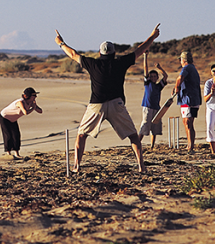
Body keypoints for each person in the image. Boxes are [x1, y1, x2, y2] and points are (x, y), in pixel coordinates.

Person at [54, 24, 161, 174]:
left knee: (81, 135)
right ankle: (141, 166)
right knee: (134, 137)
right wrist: (153, 36)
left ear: (100, 53)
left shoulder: (93, 63)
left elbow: (72, 54)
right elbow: (140, 50)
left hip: (96, 104)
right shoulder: (120, 63)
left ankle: (76, 166)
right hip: (116, 103)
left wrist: (60, 43)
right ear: (114, 52)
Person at [0, 87, 42, 159]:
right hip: (4, 118)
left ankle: (16, 153)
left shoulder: (31, 103)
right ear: (28, 96)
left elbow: (40, 111)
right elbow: (25, 112)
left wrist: (35, 107)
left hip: (13, 119)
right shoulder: (20, 102)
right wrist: (33, 108)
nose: (35, 97)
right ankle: (8, 153)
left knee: (16, 135)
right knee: (8, 135)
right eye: (34, 95)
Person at [172, 50, 202, 152]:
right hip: (187, 99)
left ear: (183, 60)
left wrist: (177, 87)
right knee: (186, 121)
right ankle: (189, 143)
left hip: (189, 99)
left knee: (188, 122)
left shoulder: (187, 67)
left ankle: (191, 145)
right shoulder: (191, 68)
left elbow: (180, 78)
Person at [138, 52, 168, 147]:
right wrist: (145, 56)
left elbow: (165, 76)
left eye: (155, 76)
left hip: (156, 107)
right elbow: (145, 69)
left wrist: (159, 68)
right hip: (147, 107)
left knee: (155, 127)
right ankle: (137, 143)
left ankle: (152, 145)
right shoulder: (148, 84)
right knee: (145, 125)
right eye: (152, 77)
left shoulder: (159, 86)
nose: (153, 78)